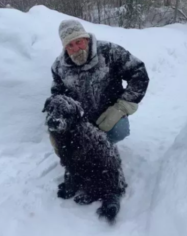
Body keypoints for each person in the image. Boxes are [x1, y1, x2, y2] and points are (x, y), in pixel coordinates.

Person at [47, 19, 150, 156]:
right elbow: (58, 95)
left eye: (79, 42)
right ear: (65, 47)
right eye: (70, 45)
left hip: (110, 112)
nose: (76, 49)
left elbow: (138, 73)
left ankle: (105, 147)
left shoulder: (110, 52)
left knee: (118, 131)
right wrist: (57, 129)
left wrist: (121, 107)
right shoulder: (59, 67)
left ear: (86, 38)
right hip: (80, 118)